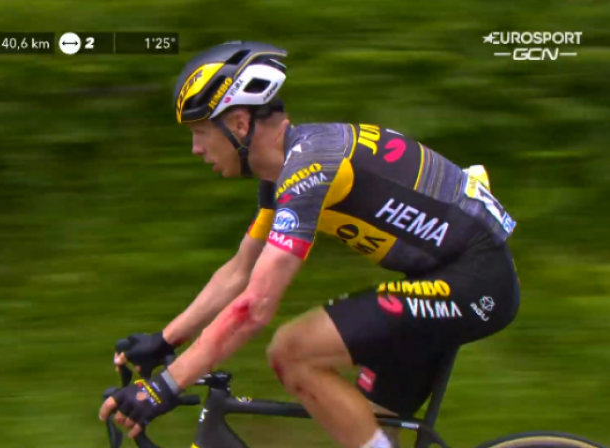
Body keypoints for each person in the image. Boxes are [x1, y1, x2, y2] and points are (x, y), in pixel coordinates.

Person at [98, 41, 520, 448]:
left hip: (475, 279)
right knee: (362, 424)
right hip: (443, 277)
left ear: (240, 123)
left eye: (201, 131)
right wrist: (166, 340)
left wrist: (165, 387)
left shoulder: (310, 170)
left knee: (293, 351)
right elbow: (239, 272)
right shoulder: (288, 169)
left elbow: (255, 307)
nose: (195, 148)